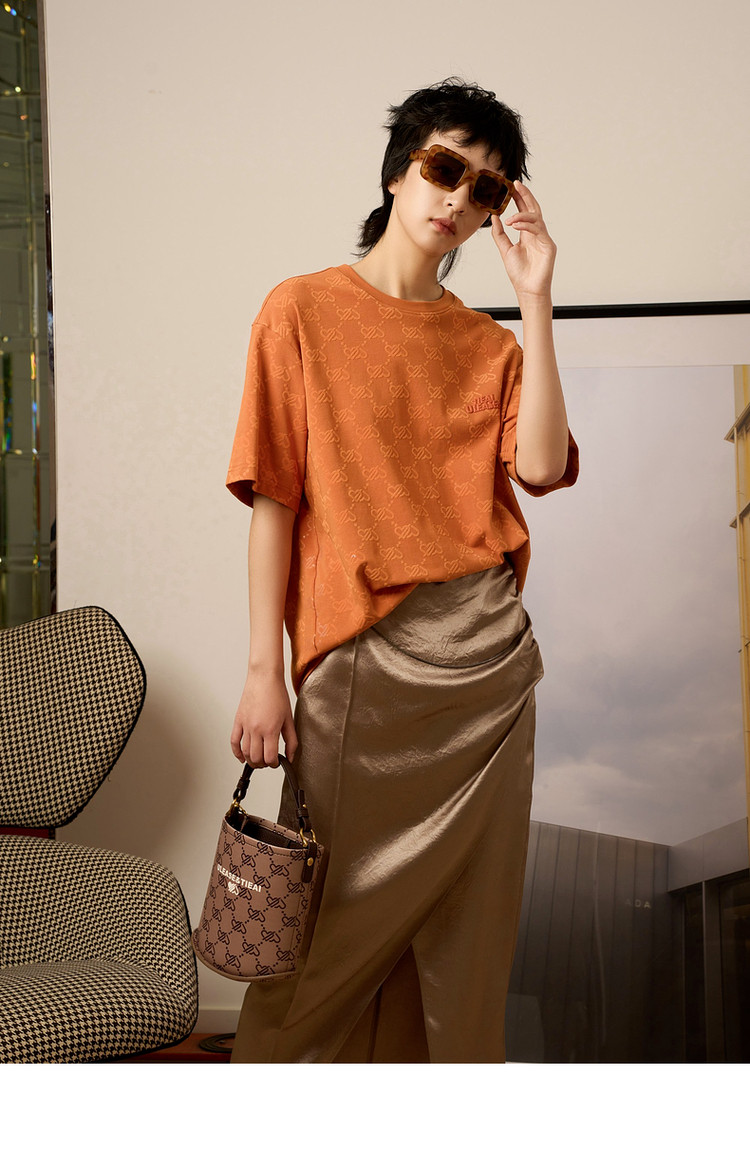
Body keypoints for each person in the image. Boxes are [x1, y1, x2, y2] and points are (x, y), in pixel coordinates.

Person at [226, 77, 578, 1063]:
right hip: (360, 665)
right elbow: (274, 501)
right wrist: (264, 669)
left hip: (486, 673)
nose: (458, 199)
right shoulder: (299, 310)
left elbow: (540, 467)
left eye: (485, 188)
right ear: (398, 169)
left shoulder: (485, 345)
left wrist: (536, 299)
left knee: (468, 945)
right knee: (322, 943)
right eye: (444, 168)